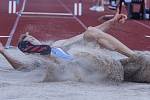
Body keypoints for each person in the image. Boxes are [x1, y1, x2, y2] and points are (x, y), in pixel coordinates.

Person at [0, 11, 137, 82]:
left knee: (90, 32)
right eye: (29, 41)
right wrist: (4, 53)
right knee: (52, 59)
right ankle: (53, 58)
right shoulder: (37, 61)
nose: (32, 38)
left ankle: (135, 57)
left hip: (96, 62)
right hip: (81, 68)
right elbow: (21, 67)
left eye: (31, 38)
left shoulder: (60, 43)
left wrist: (112, 22)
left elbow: (91, 33)